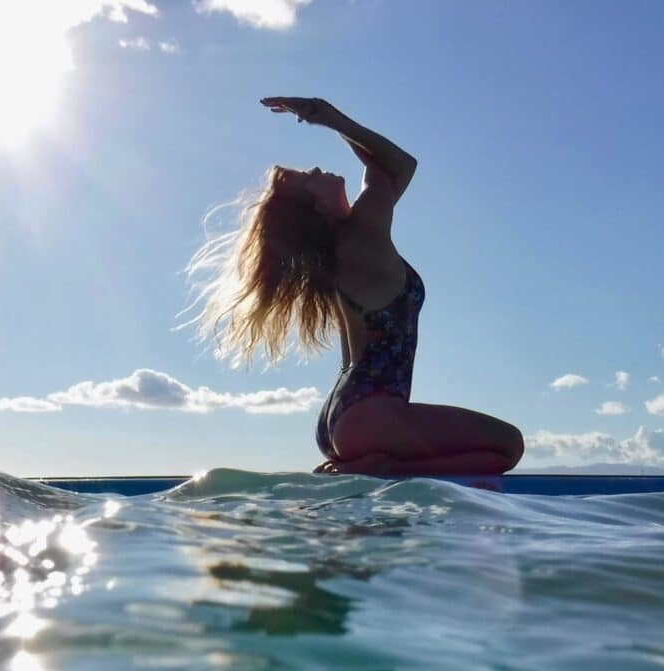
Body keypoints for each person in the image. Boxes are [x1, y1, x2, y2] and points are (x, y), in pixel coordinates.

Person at [183, 96, 523, 476]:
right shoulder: (361, 235)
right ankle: (378, 468)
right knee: (509, 444)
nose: (315, 168)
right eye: (308, 179)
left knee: (495, 454)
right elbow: (398, 165)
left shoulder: (339, 252)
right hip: (371, 414)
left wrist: (324, 117)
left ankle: (371, 465)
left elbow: (384, 171)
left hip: (343, 417)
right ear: (316, 210)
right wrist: (329, 118)